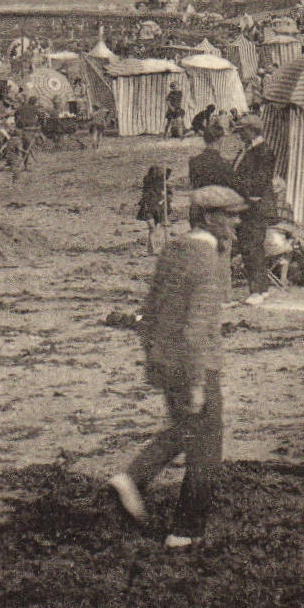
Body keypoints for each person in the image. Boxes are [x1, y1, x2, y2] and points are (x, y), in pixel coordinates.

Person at [108, 184, 248, 551]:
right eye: (230, 215)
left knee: (188, 430)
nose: (236, 222)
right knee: (207, 449)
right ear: (208, 217)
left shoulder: (175, 249)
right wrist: (198, 381)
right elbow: (198, 325)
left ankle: (134, 479)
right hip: (195, 362)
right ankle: (185, 532)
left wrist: (157, 358)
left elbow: (151, 310)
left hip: (164, 357)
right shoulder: (207, 260)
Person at [231, 113, 276, 300]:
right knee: (249, 246)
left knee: (252, 246)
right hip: (248, 205)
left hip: (255, 206)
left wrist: (238, 189)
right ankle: (260, 288)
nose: (239, 135)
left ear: (251, 130)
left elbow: (258, 182)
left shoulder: (263, 152)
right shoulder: (248, 151)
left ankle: (258, 290)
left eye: (242, 131)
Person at [188, 124, 237, 192]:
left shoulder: (193, 162)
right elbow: (235, 185)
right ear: (220, 140)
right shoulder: (224, 164)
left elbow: (194, 185)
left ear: (205, 139)